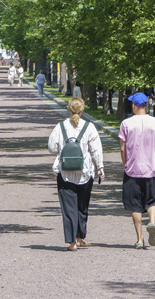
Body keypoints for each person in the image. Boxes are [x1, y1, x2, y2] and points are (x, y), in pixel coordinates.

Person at [48, 97, 104, 251]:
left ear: (69, 110)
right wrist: (100, 167)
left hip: (65, 172)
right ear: (82, 110)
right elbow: (96, 150)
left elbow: (52, 147)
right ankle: (80, 237)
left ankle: (72, 241)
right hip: (85, 172)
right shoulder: (89, 127)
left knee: (68, 208)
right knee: (82, 206)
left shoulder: (61, 127)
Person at [119, 92, 155, 249]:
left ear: (134, 106)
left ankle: (140, 239)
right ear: (146, 106)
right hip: (152, 168)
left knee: (135, 205)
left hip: (133, 170)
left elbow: (122, 148)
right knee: (153, 200)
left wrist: (125, 163)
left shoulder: (126, 124)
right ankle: (152, 222)